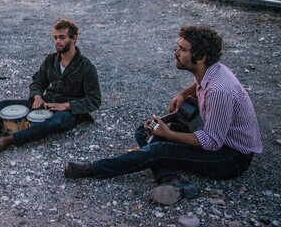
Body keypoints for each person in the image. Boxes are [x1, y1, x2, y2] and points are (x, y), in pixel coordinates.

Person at [64, 25, 263, 205]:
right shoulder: (213, 69)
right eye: (178, 47)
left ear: (201, 57)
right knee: (144, 131)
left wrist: (169, 134)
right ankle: (171, 180)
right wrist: (184, 94)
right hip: (217, 140)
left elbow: (212, 142)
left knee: (157, 149)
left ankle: (90, 169)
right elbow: (199, 84)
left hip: (230, 159)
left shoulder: (219, 91)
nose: (175, 53)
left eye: (183, 50)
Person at [0, 18, 101, 158]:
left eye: (62, 37)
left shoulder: (87, 67)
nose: (57, 41)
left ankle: (7, 141)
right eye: (55, 38)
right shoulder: (51, 59)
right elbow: (37, 81)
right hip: (47, 102)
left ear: (74, 38)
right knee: (2, 105)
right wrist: (37, 96)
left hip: (70, 112)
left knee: (55, 122)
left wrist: (67, 105)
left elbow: (94, 100)